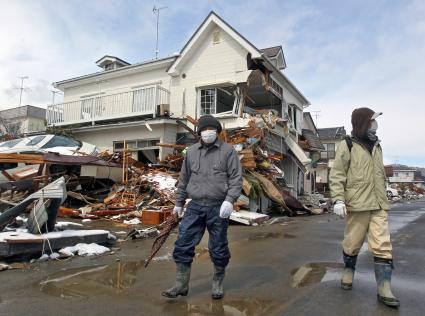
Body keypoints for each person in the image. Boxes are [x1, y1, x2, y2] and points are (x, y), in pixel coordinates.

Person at [162, 115, 243, 300]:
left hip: (218, 207)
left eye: (211, 130)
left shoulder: (227, 151)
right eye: (204, 130)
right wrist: (179, 203)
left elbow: (236, 178)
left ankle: (217, 284)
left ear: (217, 132)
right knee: (183, 243)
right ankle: (181, 285)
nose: (207, 133)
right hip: (195, 206)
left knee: (219, 247)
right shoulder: (191, 152)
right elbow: (184, 179)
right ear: (199, 133)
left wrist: (230, 200)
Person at [330, 107, 400, 308]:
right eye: (372, 121)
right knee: (353, 242)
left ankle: (384, 287)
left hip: (378, 203)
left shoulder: (377, 145)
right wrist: (338, 199)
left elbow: (379, 173)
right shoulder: (348, 144)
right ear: (362, 122)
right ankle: (348, 271)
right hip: (358, 203)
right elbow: (337, 174)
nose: (375, 125)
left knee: (382, 244)